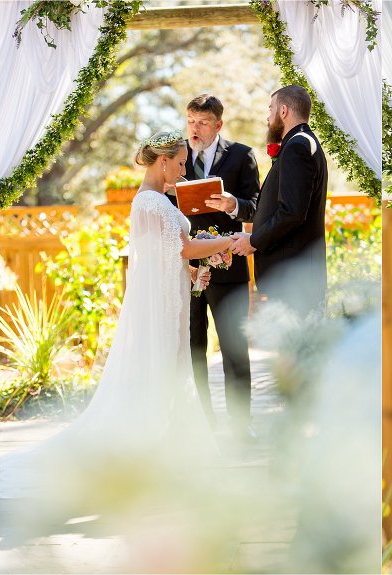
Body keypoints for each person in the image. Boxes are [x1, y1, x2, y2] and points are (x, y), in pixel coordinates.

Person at [0, 130, 235, 502]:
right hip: (159, 304)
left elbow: (169, 253)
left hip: (169, 297)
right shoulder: (151, 203)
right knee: (161, 372)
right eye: (179, 162)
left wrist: (195, 268)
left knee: (172, 371)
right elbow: (184, 248)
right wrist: (229, 242)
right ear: (162, 161)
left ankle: (173, 459)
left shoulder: (156, 200)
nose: (183, 168)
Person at [172, 94, 260, 434]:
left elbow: (255, 205)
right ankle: (203, 427)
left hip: (229, 268)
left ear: (218, 124)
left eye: (203, 123)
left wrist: (232, 204)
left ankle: (241, 426)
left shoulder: (241, 156)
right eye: (191, 121)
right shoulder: (175, 156)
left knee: (235, 352)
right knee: (192, 349)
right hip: (186, 267)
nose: (195, 129)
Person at [205, 85, 328, 318]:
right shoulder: (304, 143)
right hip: (297, 274)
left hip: (291, 278)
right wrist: (239, 213)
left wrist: (254, 241)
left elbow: (291, 212)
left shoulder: (297, 147)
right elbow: (277, 208)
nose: (267, 117)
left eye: (270, 109)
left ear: (283, 111)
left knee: (296, 349)